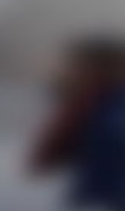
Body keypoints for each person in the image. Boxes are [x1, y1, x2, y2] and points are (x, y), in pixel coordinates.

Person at [29, 37, 125, 209]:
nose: (68, 73)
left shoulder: (108, 107)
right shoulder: (91, 104)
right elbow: (46, 157)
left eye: (77, 67)